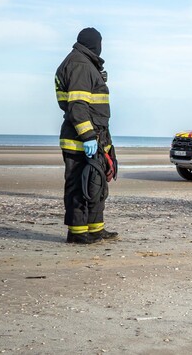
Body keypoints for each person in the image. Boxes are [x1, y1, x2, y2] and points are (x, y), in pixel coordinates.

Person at [55, 27, 118, 244]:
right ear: (94, 44)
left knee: (96, 185)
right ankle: (78, 233)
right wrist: (88, 136)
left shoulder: (85, 64)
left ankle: (95, 229)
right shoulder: (79, 64)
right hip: (80, 140)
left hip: (97, 137)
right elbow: (77, 105)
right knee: (79, 187)